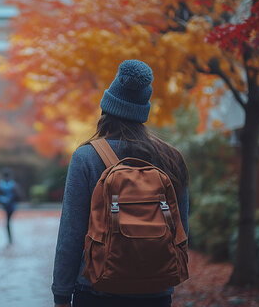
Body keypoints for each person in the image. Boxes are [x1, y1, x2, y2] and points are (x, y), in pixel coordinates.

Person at [52, 60, 189, 307]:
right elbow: (182, 230)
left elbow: (71, 234)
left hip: (97, 291)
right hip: (155, 293)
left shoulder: (86, 157)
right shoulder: (172, 159)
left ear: (107, 107)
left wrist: (61, 293)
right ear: (143, 110)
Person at [0, 168, 18, 243]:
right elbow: (17, 195)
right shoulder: (13, 184)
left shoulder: (0, 184)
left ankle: (9, 238)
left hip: (6, 205)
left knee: (7, 222)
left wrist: (2, 200)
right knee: (8, 221)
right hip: (12, 205)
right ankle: (10, 238)